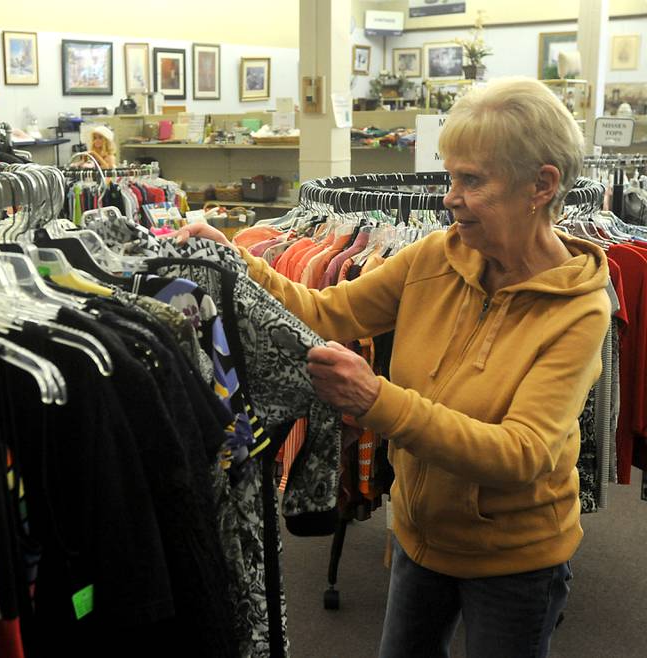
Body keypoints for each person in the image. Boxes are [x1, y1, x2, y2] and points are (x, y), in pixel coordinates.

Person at [170, 77, 610, 658]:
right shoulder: (435, 256)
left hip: (516, 560)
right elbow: (330, 312)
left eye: (471, 180)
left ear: (542, 185)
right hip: (418, 538)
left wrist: (377, 401)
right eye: (450, 176)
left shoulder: (579, 310)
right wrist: (237, 261)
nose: (449, 198)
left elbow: (521, 453)